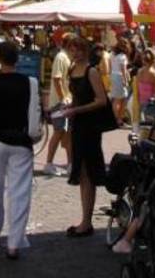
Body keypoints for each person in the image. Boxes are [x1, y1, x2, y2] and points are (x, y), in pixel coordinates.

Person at [0, 40, 40, 260]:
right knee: (19, 191)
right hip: (20, 140)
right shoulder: (29, 83)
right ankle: (14, 243)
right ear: (18, 58)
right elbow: (34, 113)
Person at [62, 35, 108, 237]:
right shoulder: (72, 69)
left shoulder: (91, 72)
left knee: (88, 171)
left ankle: (86, 222)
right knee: (81, 171)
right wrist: (70, 106)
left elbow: (101, 101)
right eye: (72, 49)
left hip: (89, 126)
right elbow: (77, 97)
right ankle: (85, 219)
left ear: (85, 50)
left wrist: (77, 110)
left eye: (79, 49)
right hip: (77, 124)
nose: (76, 53)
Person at [42, 34, 72, 176]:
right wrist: (63, 99)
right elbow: (57, 79)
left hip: (66, 101)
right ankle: (49, 163)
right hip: (60, 102)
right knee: (59, 132)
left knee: (67, 133)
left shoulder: (66, 57)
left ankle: (70, 163)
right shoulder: (61, 57)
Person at [135, 47, 155, 115]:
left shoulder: (139, 72)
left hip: (141, 103)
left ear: (143, 60)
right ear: (154, 59)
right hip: (151, 104)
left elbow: (137, 90)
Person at [109, 40, 131, 125]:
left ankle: (117, 118)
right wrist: (125, 80)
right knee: (120, 99)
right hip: (119, 77)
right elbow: (123, 70)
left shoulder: (112, 55)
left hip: (113, 76)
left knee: (117, 99)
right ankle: (117, 119)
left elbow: (111, 67)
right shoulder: (123, 56)